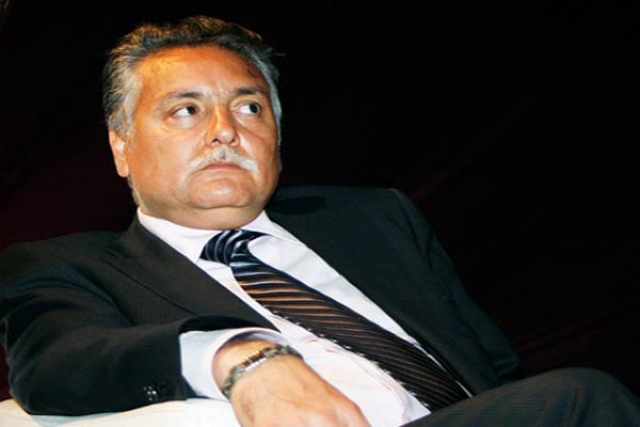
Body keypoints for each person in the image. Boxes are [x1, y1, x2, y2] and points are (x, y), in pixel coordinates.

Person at [0, 15, 639, 427]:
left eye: (249, 107)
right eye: (185, 111)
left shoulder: (374, 217)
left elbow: (494, 366)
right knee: (581, 397)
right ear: (121, 147)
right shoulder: (70, 266)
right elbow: (58, 364)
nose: (224, 131)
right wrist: (238, 357)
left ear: (277, 135)